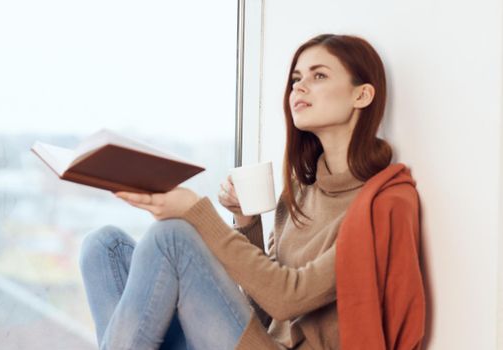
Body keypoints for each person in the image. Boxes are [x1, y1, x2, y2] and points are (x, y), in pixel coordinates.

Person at [79, 33, 425, 350]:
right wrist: (247, 221)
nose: (299, 87)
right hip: (255, 341)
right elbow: (262, 311)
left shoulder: (381, 204)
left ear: (361, 94)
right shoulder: (303, 192)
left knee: (172, 236)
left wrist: (197, 212)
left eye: (318, 76)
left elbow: (288, 298)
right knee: (103, 245)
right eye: (296, 79)